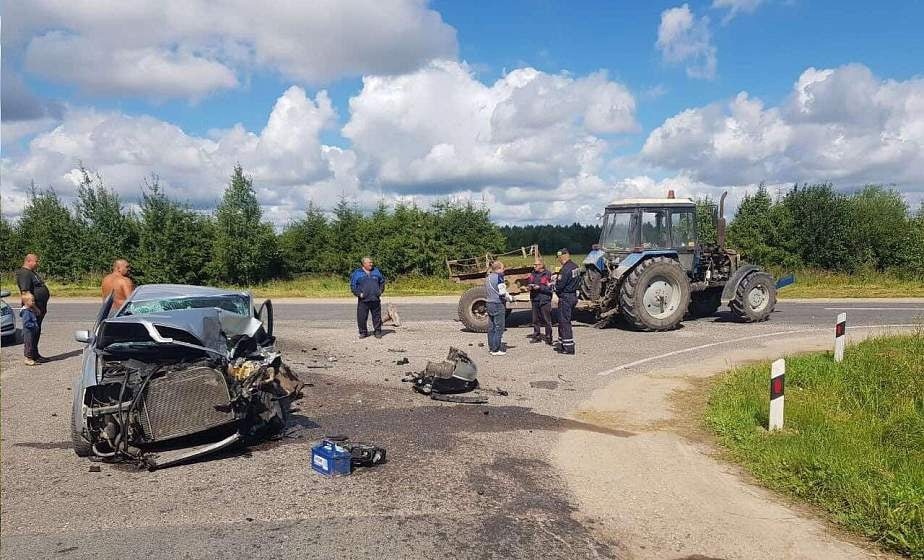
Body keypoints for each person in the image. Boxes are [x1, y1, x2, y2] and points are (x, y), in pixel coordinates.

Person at [15, 253, 50, 362]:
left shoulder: (31, 273)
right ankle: (29, 357)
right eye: (36, 261)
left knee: (36, 331)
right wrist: (34, 308)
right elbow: (25, 294)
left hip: (38, 308)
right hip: (31, 309)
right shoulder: (24, 274)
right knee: (30, 331)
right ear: (29, 261)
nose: (38, 263)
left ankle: (35, 355)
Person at [350, 257, 386, 339]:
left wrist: (380, 291)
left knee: (377, 317)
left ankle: (377, 331)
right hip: (363, 300)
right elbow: (353, 286)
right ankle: (363, 332)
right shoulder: (357, 273)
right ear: (364, 264)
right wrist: (359, 294)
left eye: (372, 262)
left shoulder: (376, 271)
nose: (371, 264)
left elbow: (382, 282)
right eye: (369, 262)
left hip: (375, 298)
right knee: (361, 317)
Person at [554, 248, 580, 355]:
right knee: (564, 320)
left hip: (565, 297)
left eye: (559, 258)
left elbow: (559, 286)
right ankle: (562, 343)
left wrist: (554, 285)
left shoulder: (565, 269)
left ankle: (568, 347)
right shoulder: (575, 267)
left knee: (564, 322)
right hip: (573, 295)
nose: (559, 260)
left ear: (562, 256)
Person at [485, 260, 513, 356]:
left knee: (491, 327)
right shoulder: (499, 277)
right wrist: (510, 298)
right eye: (503, 268)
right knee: (499, 327)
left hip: (489, 302)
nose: (504, 270)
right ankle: (496, 349)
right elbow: (502, 292)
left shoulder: (487, 277)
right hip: (498, 303)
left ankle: (491, 347)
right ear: (499, 269)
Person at [527, 260, 553, 345]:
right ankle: (536, 335)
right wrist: (530, 287)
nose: (534, 266)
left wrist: (539, 288)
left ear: (541, 265)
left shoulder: (547, 274)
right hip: (535, 299)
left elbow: (549, 288)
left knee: (546, 320)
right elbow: (530, 282)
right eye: (534, 264)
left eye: (536, 265)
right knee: (535, 319)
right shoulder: (533, 273)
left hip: (544, 299)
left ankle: (549, 337)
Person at [19, 293, 42, 366]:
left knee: (31, 344)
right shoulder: (26, 312)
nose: (34, 302)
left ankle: (31, 357)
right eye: (32, 301)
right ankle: (28, 359)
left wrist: (35, 308)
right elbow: (26, 323)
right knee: (28, 345)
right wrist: (34, 325)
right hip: (28, 332)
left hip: (31, 331)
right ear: (26, 302)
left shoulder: (30, 309)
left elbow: (38, 313)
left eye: (34, 301)